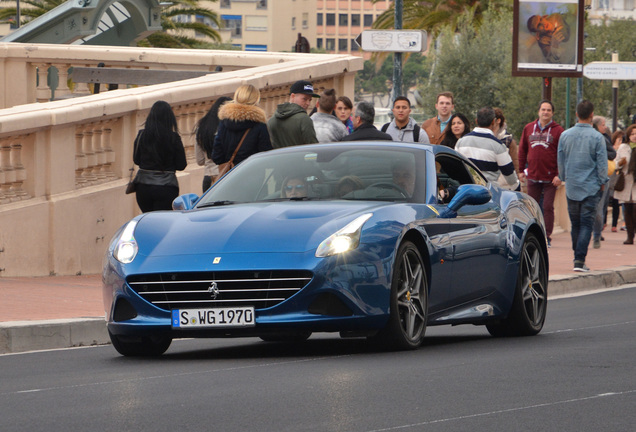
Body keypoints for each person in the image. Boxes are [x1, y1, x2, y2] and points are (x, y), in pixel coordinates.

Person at [557, 100, 608, 272]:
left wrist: (564, 177)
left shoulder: (565, 135)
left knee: (575, 224)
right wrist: (602, 182)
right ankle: (579, 260)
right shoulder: (597, 137)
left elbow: (561, 160)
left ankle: (576, 257)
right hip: (591, 187)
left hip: (572, 186)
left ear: (577, 114)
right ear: (592, 115)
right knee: (587, 223)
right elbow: (602, 164)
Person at [518, 100, 564, 247]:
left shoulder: (558, 131)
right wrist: (520, 170)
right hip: (532, 175)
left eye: (548, 110)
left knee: (548, 207)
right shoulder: (528, 128)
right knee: (531, 206)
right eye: (543, 109)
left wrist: (559, 174)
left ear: (552, 113)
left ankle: (547, 236)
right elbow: (522, 150)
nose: (545, 112)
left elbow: (562, 154)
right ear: (538, 111)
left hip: (551, 177)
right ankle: (531, 233)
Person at [133, 100, 187, 212]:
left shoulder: (142, 135)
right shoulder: (173, 138)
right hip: (166, 187)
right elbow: (181, 165)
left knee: (147, 219)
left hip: (143, 186)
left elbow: (137, 160)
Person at [455, 106, 520, 190]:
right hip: (489, 193)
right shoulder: (498, 146)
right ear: (493, 122)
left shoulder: (461, 142)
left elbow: (456, 168)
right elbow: (510, 177)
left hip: (465, 191)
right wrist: (517, 189)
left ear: (476, 121)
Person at [212, 84, 272, 169]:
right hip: (253, 174)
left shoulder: (224, 124)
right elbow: (266, 157)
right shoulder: (260, 126)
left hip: (231, 176)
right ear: (256, 100)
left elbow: (216, 157)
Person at [267, 80, 319, 148]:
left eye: (310, 100)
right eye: (304, 99)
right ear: (293, 96)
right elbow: (313, 148)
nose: (308, 103)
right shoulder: (304, 119)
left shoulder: (272, 120)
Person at [194, 96, 231, 192]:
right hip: (226, 176)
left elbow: (200, 161)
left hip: (208, 177)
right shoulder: (229, 129)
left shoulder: (201, 128)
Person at [591, 115, 617, 247]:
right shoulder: (598, 137)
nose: (605, 127)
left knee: (598, 208)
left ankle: (596, 234)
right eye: (603, 124)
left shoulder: (603, 138)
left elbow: (612, 154)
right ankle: (594, 234)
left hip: (599, 176)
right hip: (594, 177)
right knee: (597, 207)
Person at [613, 124, 636, 245]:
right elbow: (615, 163)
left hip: (635, 182)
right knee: (627, 209)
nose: (634, 136)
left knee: (635, 209)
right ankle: (629, 236)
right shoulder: (623, 147)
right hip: (626, 181)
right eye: (632, 134)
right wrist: (621, 163)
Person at [610, 130, 625, 232]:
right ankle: (603, 223)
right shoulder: (610, 149)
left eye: (621, 139)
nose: (619, 141)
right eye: (618, 139)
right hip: (610, 177)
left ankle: (614, 224)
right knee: (606, 201)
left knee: (616, 202)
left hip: (619, 179)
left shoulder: (624, 150)